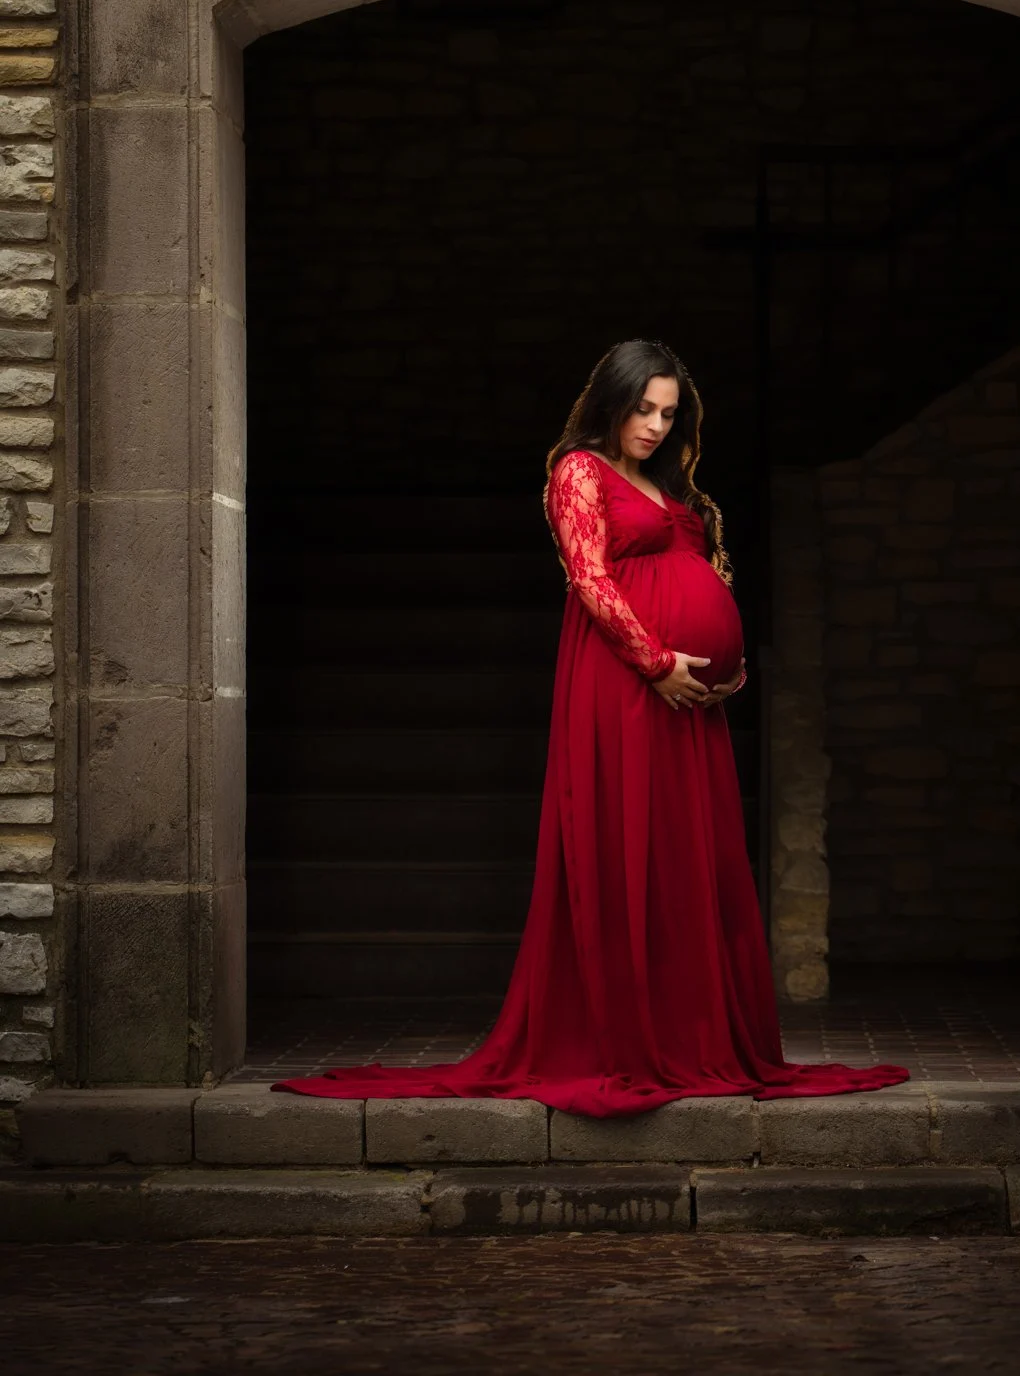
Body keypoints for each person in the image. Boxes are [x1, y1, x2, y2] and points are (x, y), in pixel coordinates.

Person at [277, 340, 908, 1114]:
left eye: (669, 413)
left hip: (687, 703)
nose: (653, 425)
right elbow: (589, 577)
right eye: (642, 408)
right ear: (609, 401)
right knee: (627, 844)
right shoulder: (580, 472)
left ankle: (692, 1035)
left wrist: (724, 670)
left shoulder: (665, 482)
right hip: (625, 687)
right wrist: (654, 661)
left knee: (688, 853)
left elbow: (705, 579)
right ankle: (627, 1034)